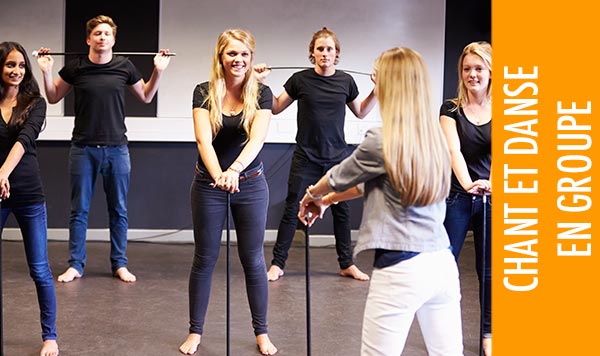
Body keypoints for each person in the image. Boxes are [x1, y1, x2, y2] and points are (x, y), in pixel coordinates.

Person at [298, 47, 463, 356]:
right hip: (442, 264)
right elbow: (367, 186)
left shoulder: (382, 139)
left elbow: (338, 176)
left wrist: (313, 195)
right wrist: (329, 201)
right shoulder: (434, 138)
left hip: (401, 268)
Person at [35, 14, 171, 283]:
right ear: (89, 39)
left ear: (113, 39)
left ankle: (119, 264)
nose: (102, 37)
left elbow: (145, 96)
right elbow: (52, 97)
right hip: (83, 149)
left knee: (118, 210)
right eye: (97, 33)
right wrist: (46, 70)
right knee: (79, 210)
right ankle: (76, 265)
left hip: (117, 149)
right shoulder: (75, 68)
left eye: (107, 33)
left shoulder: (124, 66)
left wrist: (158, 71)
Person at [179, 29, 277, 356]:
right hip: (209, 184)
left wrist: (234, 171)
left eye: (244, 54)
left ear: (251, 58)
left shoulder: (261, 93)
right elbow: (203, 140)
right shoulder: (202, 92)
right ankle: (195, 332)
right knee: (204, 259)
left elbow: (258, 139)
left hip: (250, 184)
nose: (238, 60)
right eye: (232, 54)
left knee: (253, 260)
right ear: (220, 57)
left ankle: (261, 333)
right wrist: (219, 175)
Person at [254, 27, 377, 282]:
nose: (324, 53)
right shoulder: (300, 80)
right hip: (306, 157)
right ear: (312, 53)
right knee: (291, 210)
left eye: (329, 49)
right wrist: (258, 84)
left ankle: (347, 264)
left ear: (336, 53)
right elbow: (275, 107)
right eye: (320, 48)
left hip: (337, 158)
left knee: (341, 210)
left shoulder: (346, 81)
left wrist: (378, 89)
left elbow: (362, 112)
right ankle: (278, 264)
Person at [0, 41, 59, 356]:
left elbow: (24, 140)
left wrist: (3, 174)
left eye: (22, 66)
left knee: (39, 268)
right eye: (10, 65)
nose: (17, 71)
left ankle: (49, 336)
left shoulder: (35, 102)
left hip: (28, 194)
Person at [439, 41, 492, 356]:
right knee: (445, 268)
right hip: (458, 196)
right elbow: (452, 150)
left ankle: (488, 334)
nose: (472, 74)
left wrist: (493, 183)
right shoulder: (450, 108)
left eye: (479, 68)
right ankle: (444, 334)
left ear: (491, 71)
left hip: (493, 197)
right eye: (467, 69)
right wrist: (470, 183)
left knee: (487, 272)